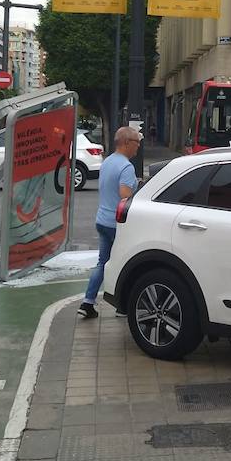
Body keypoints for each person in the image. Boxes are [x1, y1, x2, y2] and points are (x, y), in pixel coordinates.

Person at [78, 125, 142, 319]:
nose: (138, 147)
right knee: (125, 264)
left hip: (103, 220)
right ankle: (122, 306)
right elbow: (124, 195)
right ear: (126, 143)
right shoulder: (126, 166)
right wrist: (138, 188)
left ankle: (87, 302)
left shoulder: (107, 162)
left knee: (102, 263)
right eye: (136, 143)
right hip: (117, 224)